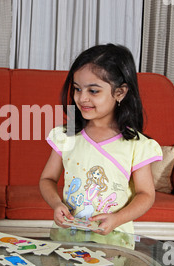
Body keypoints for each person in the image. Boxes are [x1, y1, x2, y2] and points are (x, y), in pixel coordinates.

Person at [39, 44, 162, 242]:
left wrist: (117, 219)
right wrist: (56, 204)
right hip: (67, 239)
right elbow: (47, 179)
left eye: (93, 91)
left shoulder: (136, 144)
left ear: (120, 93)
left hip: (113, 242)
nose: (82, 98)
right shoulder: (67, 135)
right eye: (77, 89)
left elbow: (146, 194)